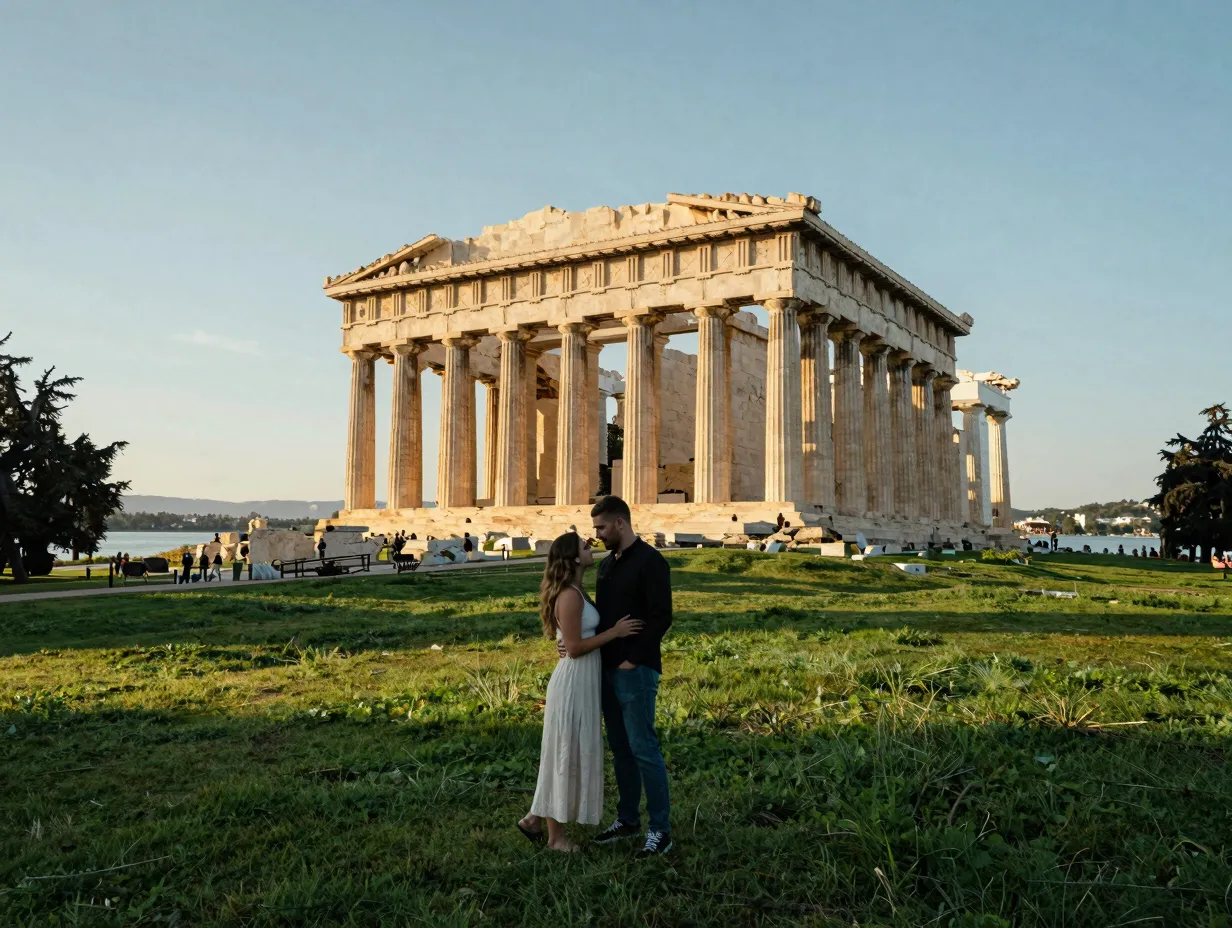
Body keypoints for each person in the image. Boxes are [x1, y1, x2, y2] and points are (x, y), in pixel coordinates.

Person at [517, 533, 642, 853]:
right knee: (564, 752)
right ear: (573, 558)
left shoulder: (577, 589)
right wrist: (614, 633)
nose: (591, 548)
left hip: (583, 680)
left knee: (566, 749)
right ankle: (556, 839)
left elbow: (573, 638)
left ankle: (534, 819)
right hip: (572, 683)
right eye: (585, 547)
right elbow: (572, 648)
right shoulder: (570, 596)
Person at [587, 495, 674, 856]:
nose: (597, 535)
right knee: (621, 749)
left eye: (602, 527)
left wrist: (633, 660)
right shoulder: (607, 565)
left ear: (620, 523)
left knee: (643, 749)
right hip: (606, 669)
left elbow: (661, 616)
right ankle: (627, 819)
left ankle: (660, 829)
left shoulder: (651, 562)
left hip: (635, 670)